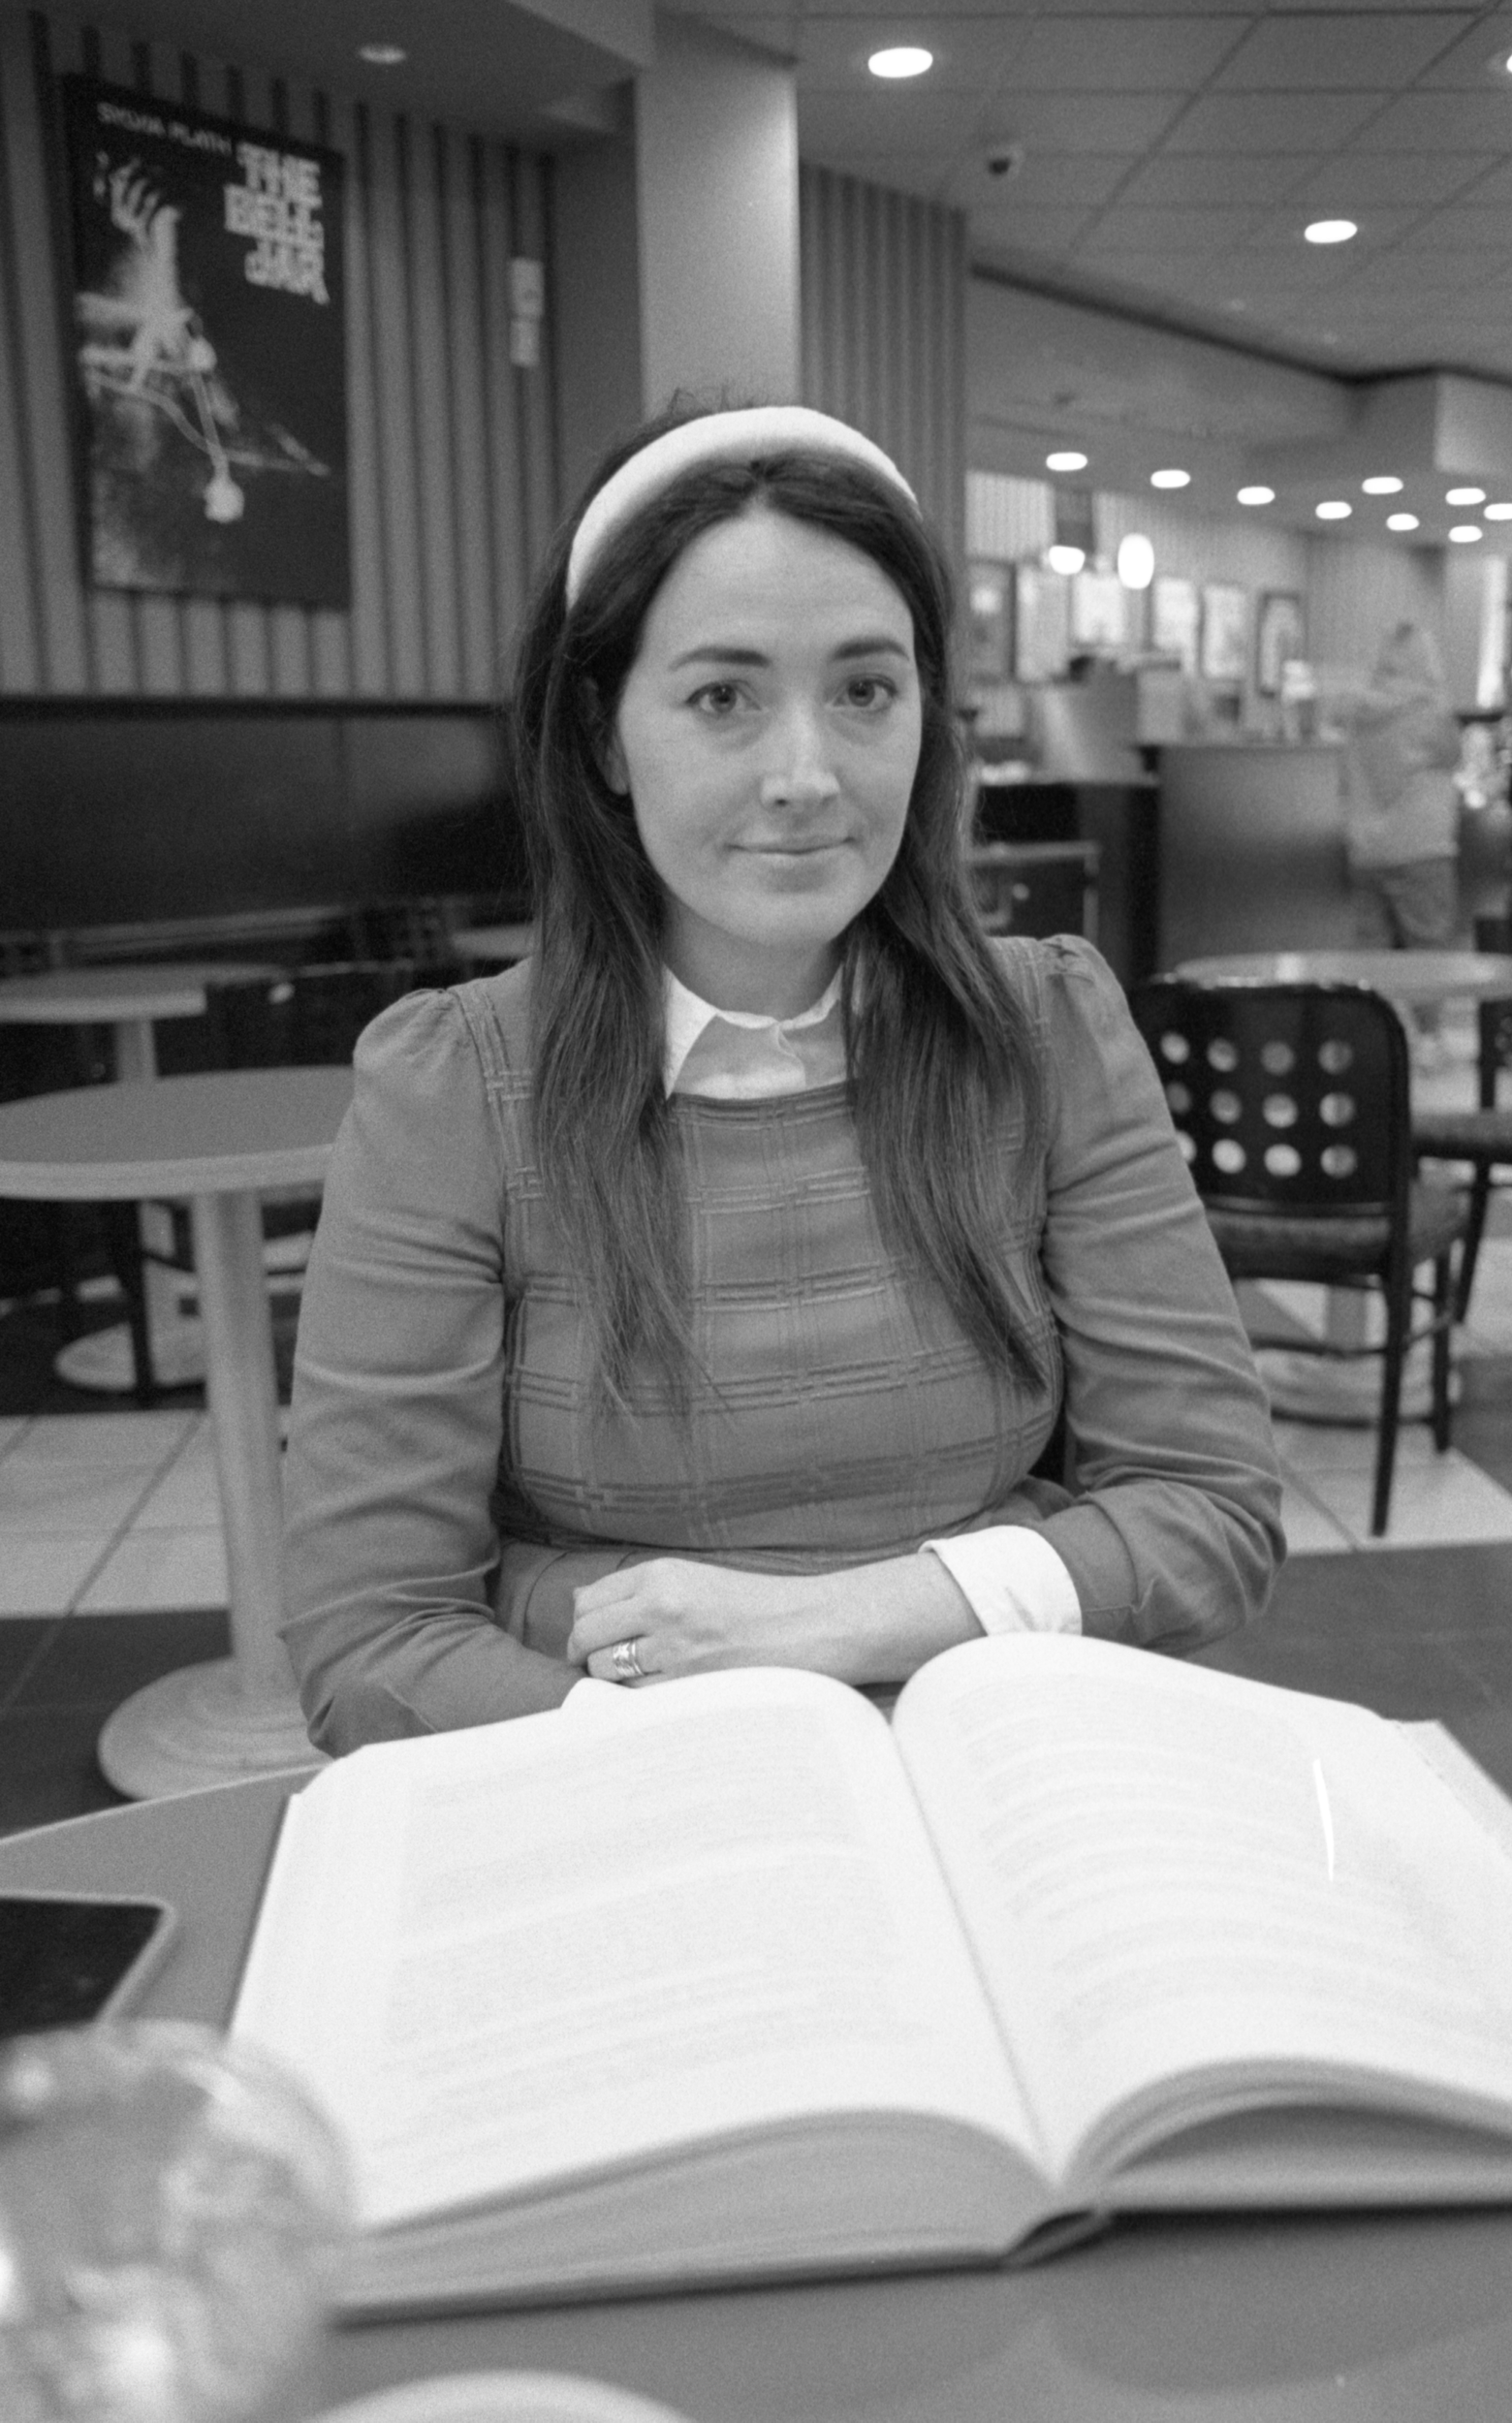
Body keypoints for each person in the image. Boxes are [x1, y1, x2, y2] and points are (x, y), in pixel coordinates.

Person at [281, 402, 1283, 1753]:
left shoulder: (1046, 1031)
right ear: (599, 739)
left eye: (865, 690)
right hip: (619, 1786)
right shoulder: (455, 1087)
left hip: (1006, 1761)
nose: (806, 775)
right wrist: (730, 1750)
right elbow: (372, 1643)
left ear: (930, 715)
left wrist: (823, 1626)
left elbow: (1209, 1507)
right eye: (722, 698)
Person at [1334, 622, 1464, 1061]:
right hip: (1423, 847)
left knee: (1370, 952)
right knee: (1427, 946)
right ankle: (1428, 1039)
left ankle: (1365, 1044)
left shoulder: (1359, 715)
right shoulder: (1431, 715)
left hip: (1366, 849)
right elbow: (1454, 756)